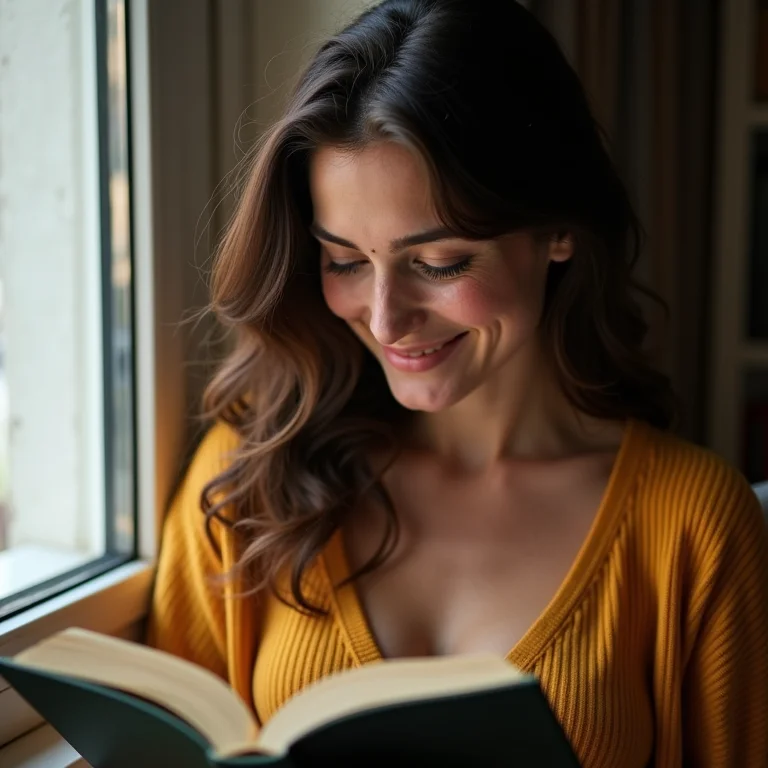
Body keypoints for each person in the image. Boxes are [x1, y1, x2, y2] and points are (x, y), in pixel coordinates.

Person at [145, 0, 768, 765]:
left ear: (559, 230)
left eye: (438, 264)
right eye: (344, 260)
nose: (384, 318)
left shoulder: (693, 526)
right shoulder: (251, 478)